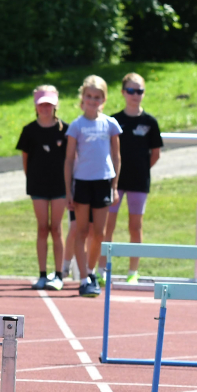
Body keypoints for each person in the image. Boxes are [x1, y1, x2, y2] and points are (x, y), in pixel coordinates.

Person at [96, 73, 163, 286]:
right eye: (131, 91)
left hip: (139, 183)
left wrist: (141, 169)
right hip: (114, 182)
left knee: (135, 227)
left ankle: (133, 271)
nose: (136, 95)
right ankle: (102, 269)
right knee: (108, 227)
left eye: (140, 91)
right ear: (124, 93)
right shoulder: (114, 121)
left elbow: (155, 154)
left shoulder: (150, 122)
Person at [64, 75, 122, 297]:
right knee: (81, 230)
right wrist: (68, 189)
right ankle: (83, 278)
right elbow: (69, 159)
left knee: (99, 233)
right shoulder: (76, 126)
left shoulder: (110, 124)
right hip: (82, 183)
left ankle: (92, 272)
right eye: (89, 96)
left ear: (103, 99)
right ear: (83, 98)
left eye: (97, 97)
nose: (92, 100)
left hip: (103, 182)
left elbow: (116, 156)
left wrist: (115, 186)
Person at [16, 85, 67, 290]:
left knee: (56, 228)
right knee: (42, 227)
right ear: (36, 106)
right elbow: (26, 160)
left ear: (55, 106)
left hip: (60, 186)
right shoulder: (29, 131)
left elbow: (72, 159)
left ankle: (59, 274)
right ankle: (42, 274)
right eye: (41, 104)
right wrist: (33, 180)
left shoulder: (66, 129)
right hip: (37, 185)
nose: (45, 108)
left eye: (49, 104)